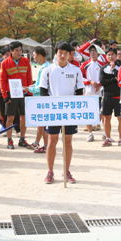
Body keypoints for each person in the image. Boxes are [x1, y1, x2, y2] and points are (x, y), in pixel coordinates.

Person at [39, 41, 85, 184]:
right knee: (52, 141)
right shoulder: (48, 70)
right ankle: (50, 171)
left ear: (70, 55)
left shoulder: (76, 70)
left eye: (66, 53)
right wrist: (52, 106)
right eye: (60, 52)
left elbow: (79, 91)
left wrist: (72, 107)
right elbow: (43, 91)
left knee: (68, 141)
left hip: (69, 112)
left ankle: (66, 171)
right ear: (56, 53)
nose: (63, 55)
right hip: (53, 111)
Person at [0, 41, 33, 148]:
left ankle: (22, 139)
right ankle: (10, 140)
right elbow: (2, 80)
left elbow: (29, 77)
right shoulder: (4, 63)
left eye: (20, 50)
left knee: (24, 117)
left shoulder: (26, 61)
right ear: (11, 51)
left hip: (24, 93)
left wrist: (29, 92)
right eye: (17, 50)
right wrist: (5, 96)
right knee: (10, 118)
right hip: (11, 94)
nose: (19, 52)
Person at [99, 47, 121, 147]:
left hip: (119, 96)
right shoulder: (103, 68)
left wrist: (114, 70)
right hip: (106, 96)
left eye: (113, 54)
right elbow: (102, 82)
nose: (111, 56)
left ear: (116, 55)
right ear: (106, 56)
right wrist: (113, 79)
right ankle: (107, 138)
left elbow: (120, 80)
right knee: (106, 118)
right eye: (108, 55)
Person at [80, 44, 105, 142]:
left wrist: (98, 84)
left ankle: (104, 132)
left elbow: (105, 78)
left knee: (101, 112)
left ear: (98, 53)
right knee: (88, 112)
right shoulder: (85, 64)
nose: (92, 52)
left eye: (94, 50)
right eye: (91, 51)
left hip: (100, 92)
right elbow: (80, 78)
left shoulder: (102, 65)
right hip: (88, 91)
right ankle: (90, 133)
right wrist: (90, 82)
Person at [28, 46, 50, 153]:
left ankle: (46, 145)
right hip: (44, 99)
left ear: (39, 55)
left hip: (42, 99)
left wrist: (29, 88)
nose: (34, 58)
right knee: (41, 123)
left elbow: (40, 88)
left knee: (43, 123)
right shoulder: (49, 66)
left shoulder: (44, 68)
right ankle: (38, 142)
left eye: (34, 56)